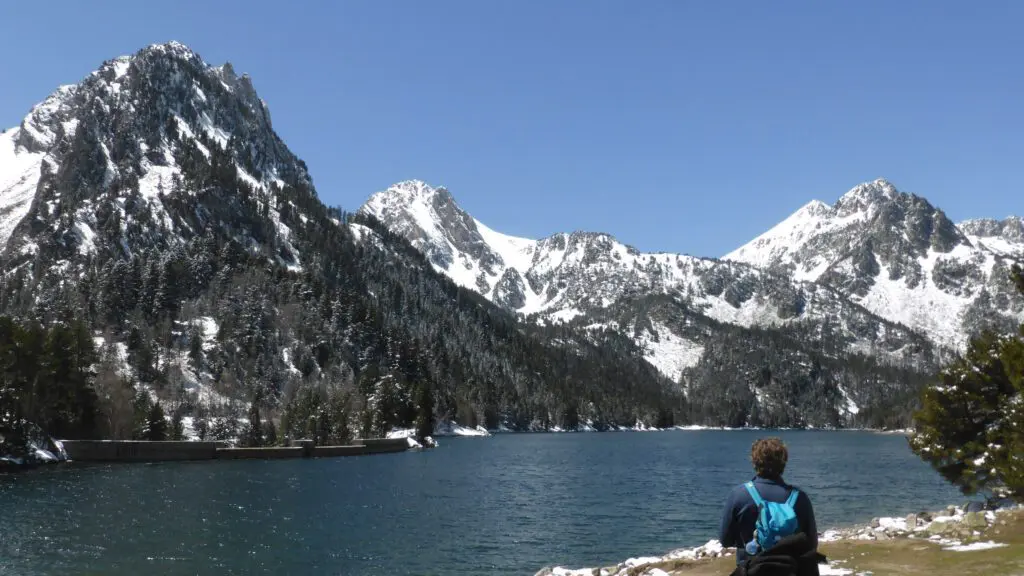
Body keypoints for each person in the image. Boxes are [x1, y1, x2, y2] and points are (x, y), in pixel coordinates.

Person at [719, 437, 818, 566]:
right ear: (783, 463)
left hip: (751, 568)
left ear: (755, 462)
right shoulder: (800, 498)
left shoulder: (738, 495)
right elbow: (812, 544)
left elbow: (725, 540)